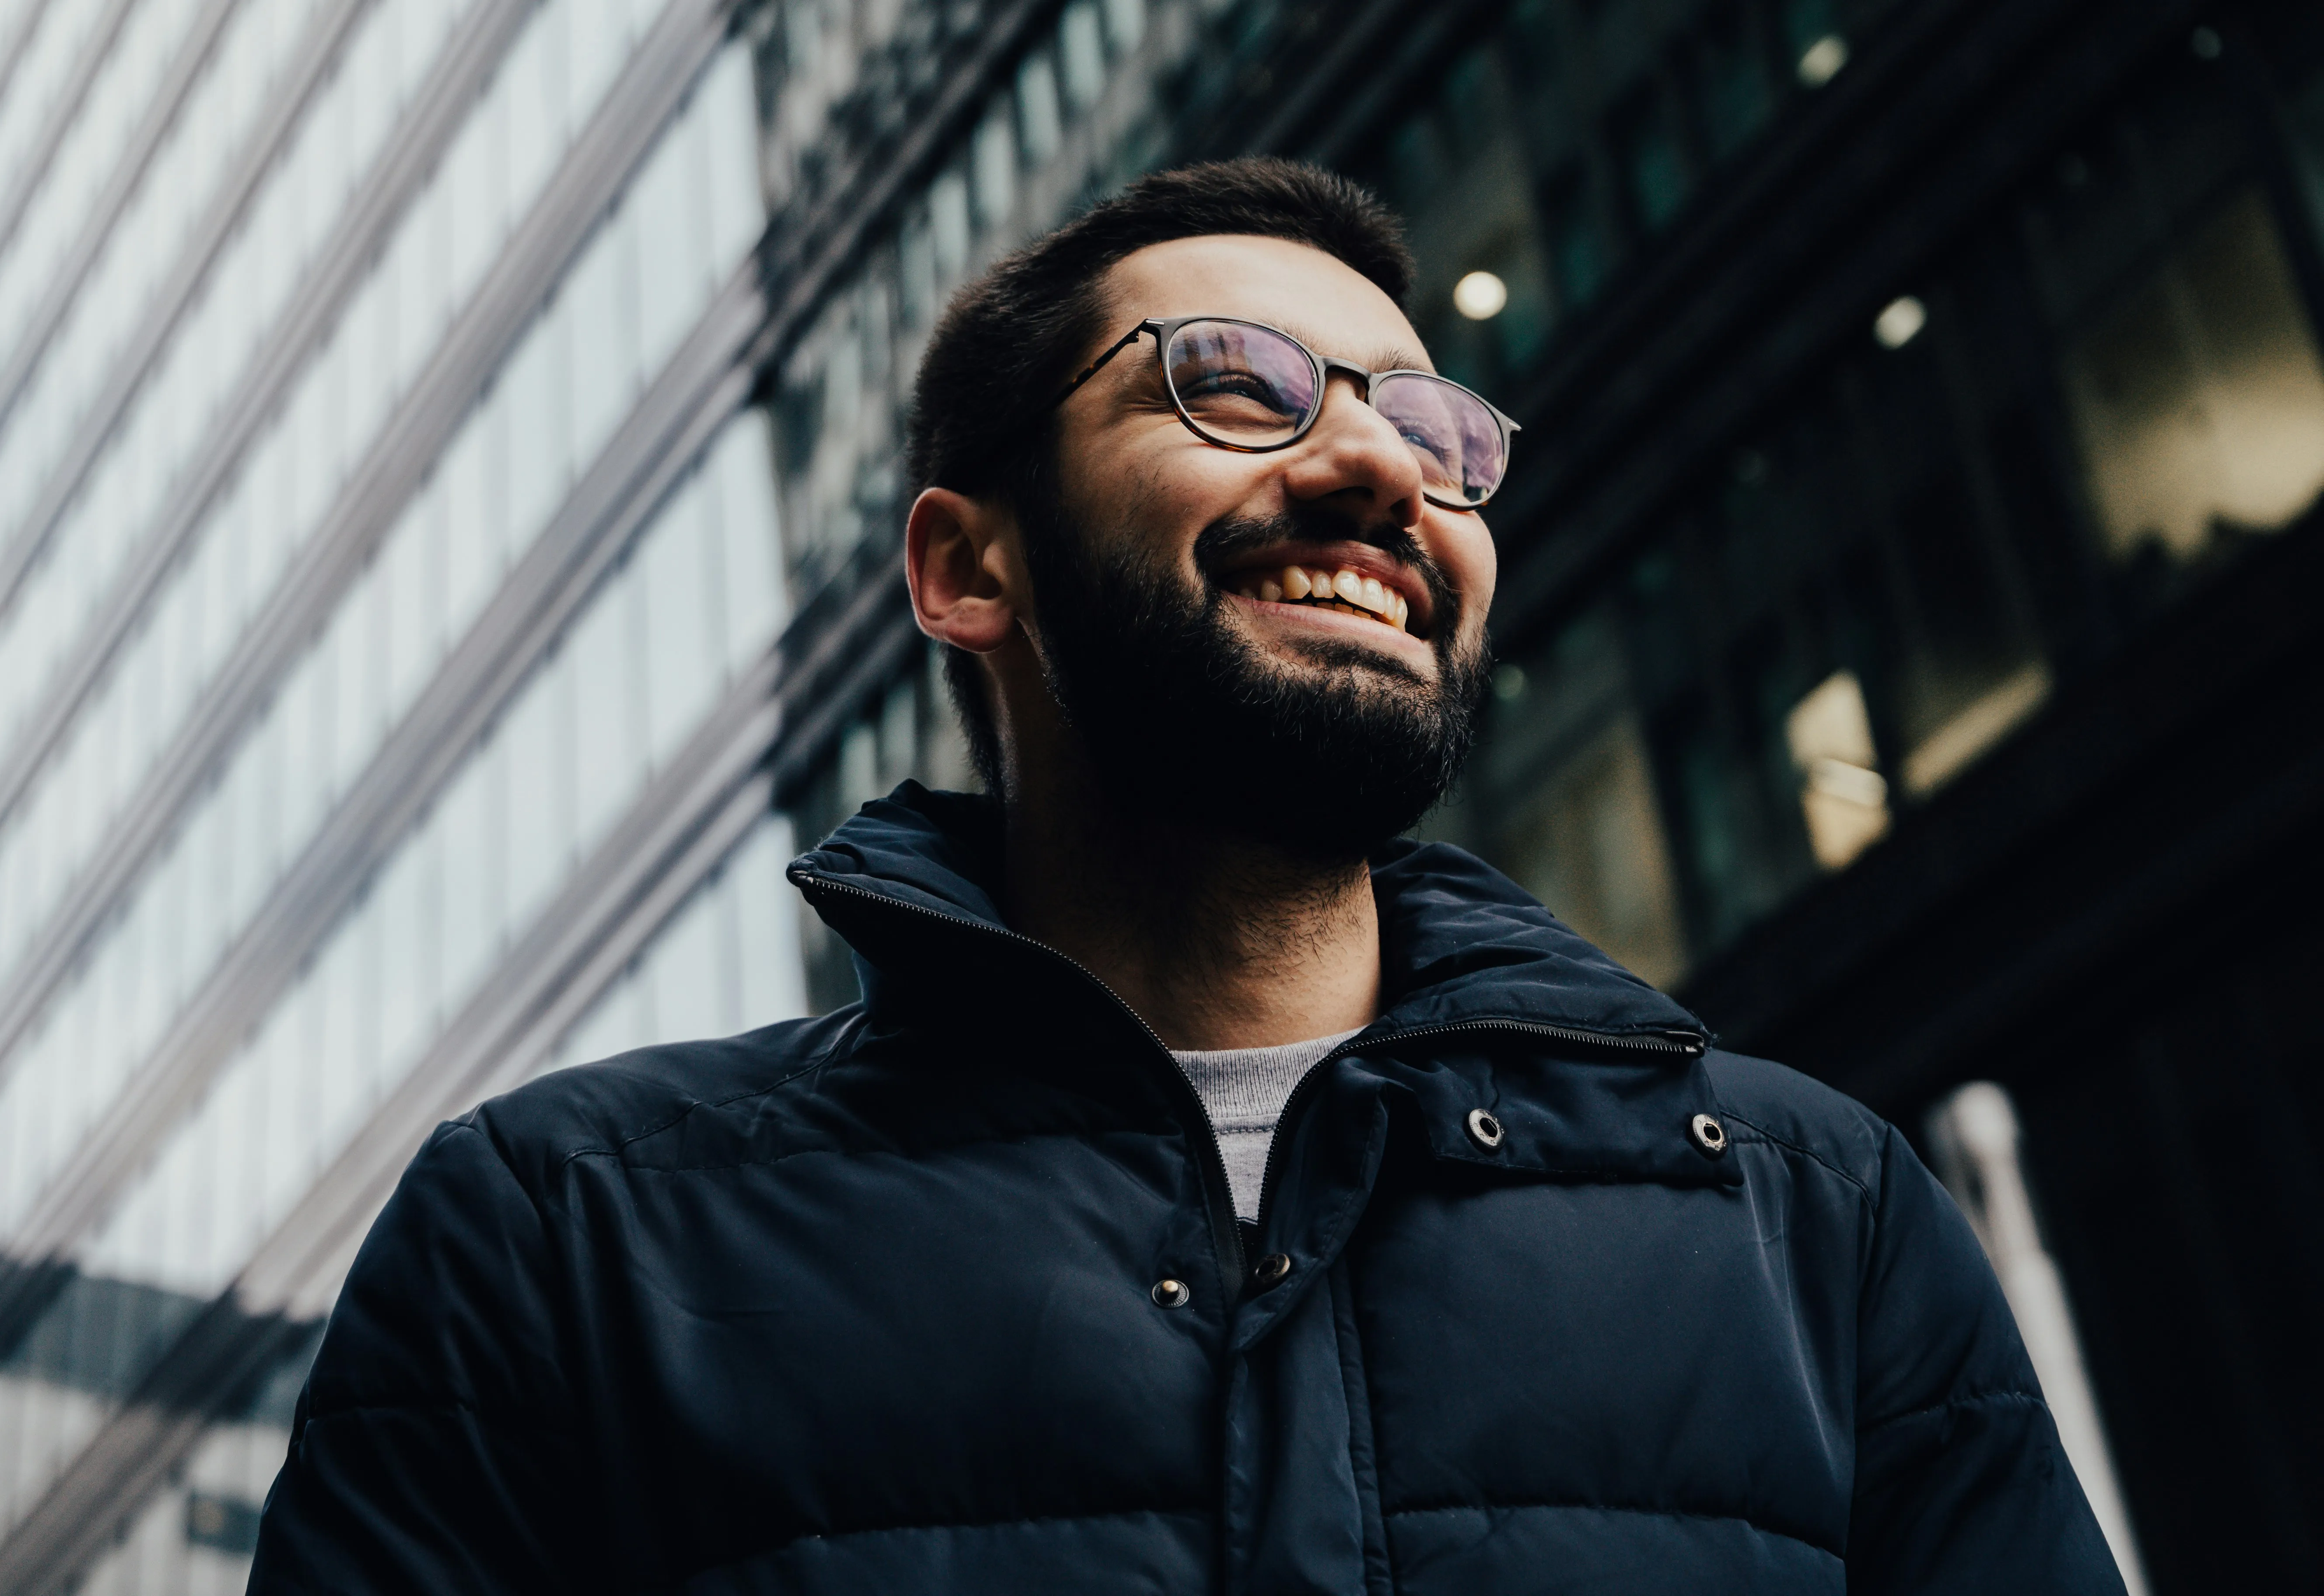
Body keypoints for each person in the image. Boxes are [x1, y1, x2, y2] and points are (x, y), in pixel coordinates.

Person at [248, 158, 2124, 1594]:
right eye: (1239, 386)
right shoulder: (559, 1239)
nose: (1385, 468)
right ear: (969, 570)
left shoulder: (1820, 1219)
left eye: (1435, 426)